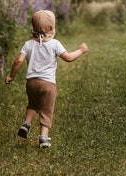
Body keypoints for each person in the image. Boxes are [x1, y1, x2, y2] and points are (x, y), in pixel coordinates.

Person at [5, 10, 88, 148]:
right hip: (48, 84)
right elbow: (68, 58)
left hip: (31, 83)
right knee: (46, 110)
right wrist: (80, 50)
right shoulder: (55, 44)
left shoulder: (28, 44)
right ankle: (43, 137)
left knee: (33, 105)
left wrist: (11, 76)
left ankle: (26, 124)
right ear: (52, 28)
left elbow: (18, 61)